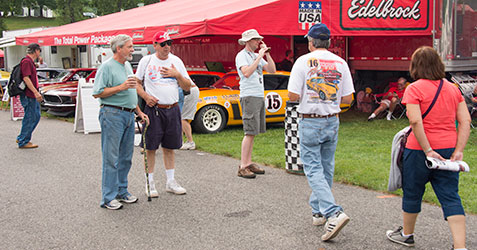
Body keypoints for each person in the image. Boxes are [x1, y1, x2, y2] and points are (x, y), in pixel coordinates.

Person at [385, 46, 470, 250]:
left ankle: (407, 234)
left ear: (415, 66)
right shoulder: (452, 88)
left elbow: (415, 121)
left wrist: (428, 149)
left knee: (413, 191)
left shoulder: (414, 88)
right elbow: (465, 120)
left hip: (418, 150)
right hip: (449, 148)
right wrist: (459, 149)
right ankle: (460, 246)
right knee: (450, 195)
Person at [287, 23, 354, 242]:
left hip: (310, 120)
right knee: (326, 167)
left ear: (311, 42)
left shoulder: (302, 62)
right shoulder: (341, 63)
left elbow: (292, 95)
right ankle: (317, 211)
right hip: (332, 120)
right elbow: (348, 99)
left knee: (313, 169)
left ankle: (333, 212)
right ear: (329, 41)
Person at [92, 35, 149, 210]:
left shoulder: (126, 65)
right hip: (112, 114)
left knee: (125, 157)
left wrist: (139, 112)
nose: (133, 50)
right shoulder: (107, 67)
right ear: (119, 48)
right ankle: (108, 197)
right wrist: (121, 87)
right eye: (130, 47)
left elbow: (131, 92)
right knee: (111, 158)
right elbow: (97, 92)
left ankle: (121, 191)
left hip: (128, 115)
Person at [136, 31, 192, 197]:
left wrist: (177, 75)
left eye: (169, 43)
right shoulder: (146, 61)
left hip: (172, 109)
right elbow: (137, 83)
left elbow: (187, 86)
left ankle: (171, 181)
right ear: (155, 45)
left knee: (170, 147)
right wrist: (146, 96)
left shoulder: (176, 61)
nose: (167, 46)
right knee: (150, 148)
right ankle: (150, 183)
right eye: (162, 44)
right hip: (154, 110)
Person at [235, 29, 276, 178]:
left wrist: (267, 54)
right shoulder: (242, 56)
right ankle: (243, 166)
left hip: (258, 96)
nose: (258, 42)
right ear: (247, 41)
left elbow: (271, 70)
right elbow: (246, 72)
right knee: (249, 131)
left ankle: (248, 162)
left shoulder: (255, 55)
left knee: (254, 132)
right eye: (254, 40)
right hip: (249, 95)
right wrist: (259, 56)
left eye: (258, 39)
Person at [17, 43, 43, 149]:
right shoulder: (27, 62)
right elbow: (26, 78)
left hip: (30, 94)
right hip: (29, 94)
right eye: (39, 51)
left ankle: (22, 137)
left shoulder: (29, 62)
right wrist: (35, 92)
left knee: (35, 116)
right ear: (36, 51)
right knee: (31, 117)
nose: (39, 53)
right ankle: (23, 140)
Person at [180, 82, 200, 150]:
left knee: (182, 118)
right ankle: (180, 141)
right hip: (186, 91)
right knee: (179, 117)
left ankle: (190, 142)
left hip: (189, 92)